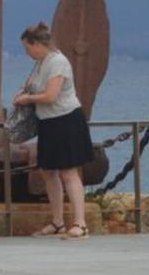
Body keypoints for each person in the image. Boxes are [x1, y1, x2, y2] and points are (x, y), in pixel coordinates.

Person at [14, 22, 95, 240]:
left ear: (38, 44)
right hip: (48, 121)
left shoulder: (58, 62)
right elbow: (38, 89)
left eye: (28, 48)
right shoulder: (41, 63)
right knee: (49, 172)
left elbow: (51, 96)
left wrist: (28, 98)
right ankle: (57, 221)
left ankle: (80, 223)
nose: (27, 53)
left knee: (69, 172)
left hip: (66, 120)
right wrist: (25, 92)